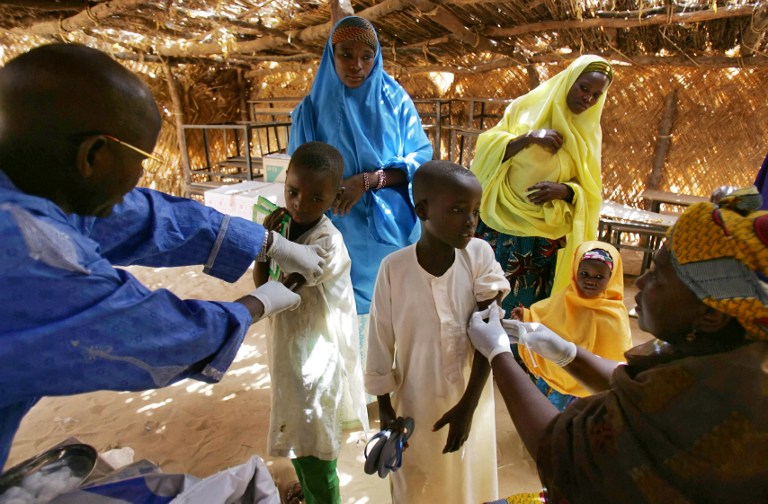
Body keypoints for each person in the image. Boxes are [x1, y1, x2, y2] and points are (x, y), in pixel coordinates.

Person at [0, 43, 327, 470]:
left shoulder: (35, 189)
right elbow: (150, 331)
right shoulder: (27, 254)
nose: (140, 179)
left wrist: (269, 244)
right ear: (93, 156)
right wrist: (257, 304)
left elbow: (147, 219)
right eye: (141, 160)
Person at [467, 188, 768, 502]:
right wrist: (563, 351)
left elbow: (562, 453)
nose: (640, 283)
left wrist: (499, 354)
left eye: (659, 276)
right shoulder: (724, 350)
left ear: (709, 314)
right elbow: (638, 387)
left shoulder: (717, 396)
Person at [288, 15, 433, 364]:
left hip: (389, 230)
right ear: (330, 55)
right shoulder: (310, 109)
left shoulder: (395, 100)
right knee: (338, 307)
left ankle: (385, 384)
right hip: (336, 228)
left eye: (367, 56)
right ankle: (355, 396)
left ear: (377, 56)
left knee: (391, 304)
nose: (357, 65)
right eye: (346, 55)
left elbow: (420, 157)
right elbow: (299, 174)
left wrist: (366, 182)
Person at [365, 160, 510, 502]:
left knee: (468, 478)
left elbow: (490, 333)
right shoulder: (394, 269)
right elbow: (379, 339)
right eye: (458, 210)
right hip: (415, 401)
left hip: (471, 394)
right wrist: (385, 407)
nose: (471, 221)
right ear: (423, 210)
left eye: (475, 210)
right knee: (418, 479)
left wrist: (468, 406)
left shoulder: (479, 256)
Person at [254, 141, 368, 504]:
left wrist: (270, 243)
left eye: (316, 197)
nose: (301, 203)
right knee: (298, 440)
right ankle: (311, 494)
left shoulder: (327, 242)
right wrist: (263, 245)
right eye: (293, 191)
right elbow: (263, 283)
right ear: (285, 180)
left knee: (315, 447)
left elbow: (285, 290)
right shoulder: (282, 225)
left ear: (335, 197)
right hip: (289, 357)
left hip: (315, 363)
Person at [471, 55, 614, 314]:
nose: (588, 99)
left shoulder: (587, 134)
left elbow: (591, 191)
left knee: (529, 309)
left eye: (596, 95)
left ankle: (520, 355)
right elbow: (486, 152)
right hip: (500, 227)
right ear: (570, 80)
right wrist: (529, 137)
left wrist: (567, 191)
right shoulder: (525, 110)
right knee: (485, 301)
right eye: (584, 88)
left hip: (544, 239)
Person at [511, 241, 632, 411]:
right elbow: (546, 316)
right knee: (540, 406)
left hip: (581, 381)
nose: (590, 281)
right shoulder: (566, 298)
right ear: (575, 272)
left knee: (562, 416)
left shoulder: (613, 313)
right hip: (555, 372)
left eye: (599, 277)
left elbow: (617, 355)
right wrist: (526, 315)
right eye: (584, 274)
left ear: (611, 277)